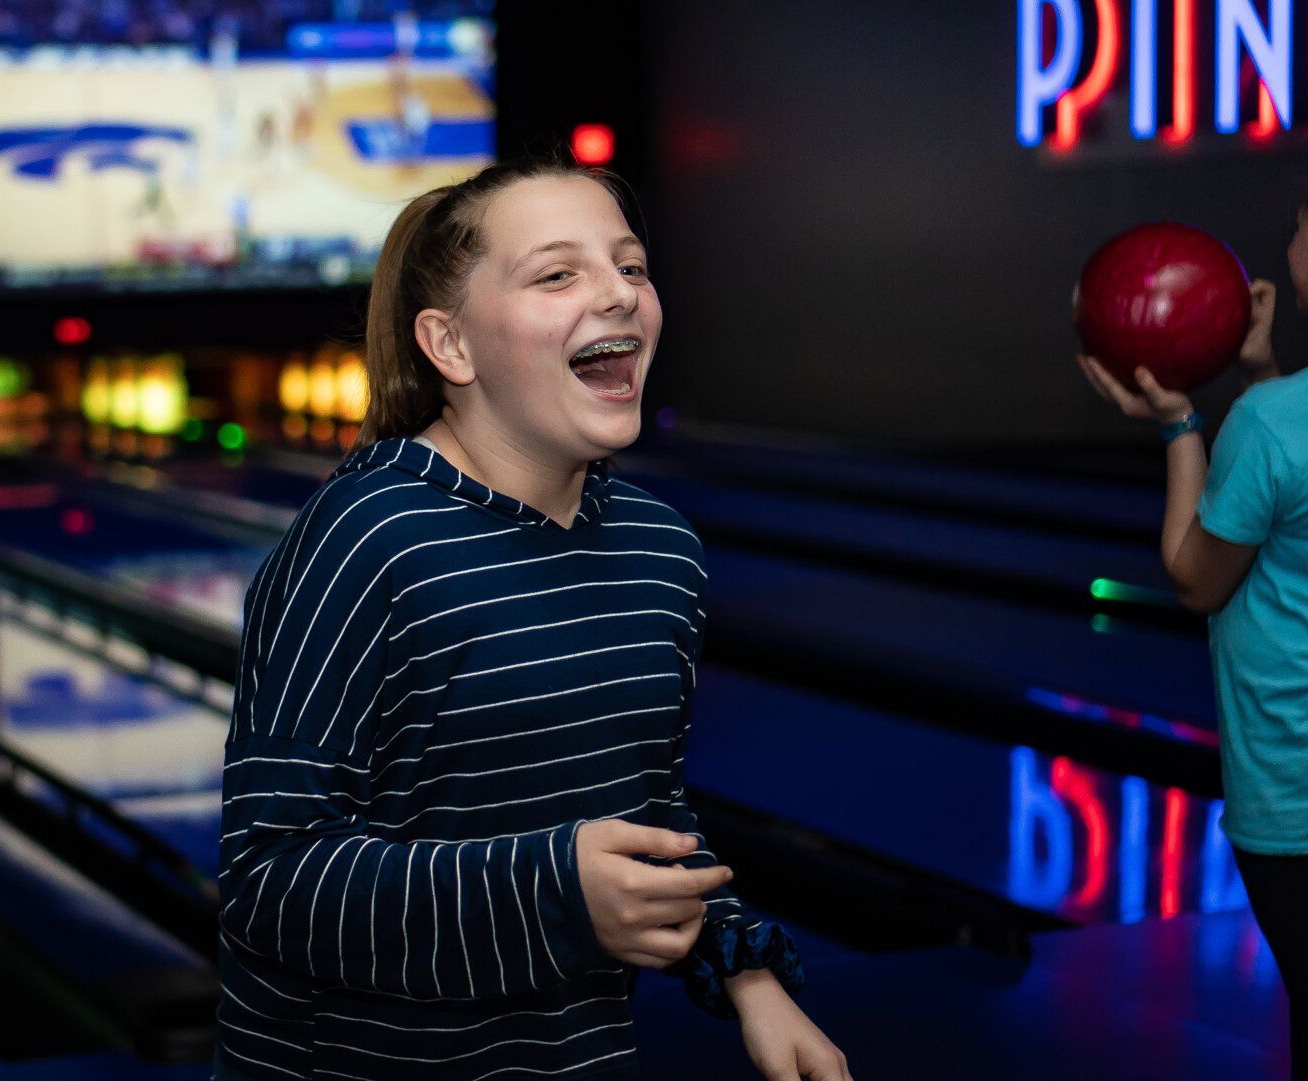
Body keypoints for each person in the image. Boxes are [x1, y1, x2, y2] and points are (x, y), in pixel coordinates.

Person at [214, 156, 850, 1081]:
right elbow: (268, 877)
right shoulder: (366, 539)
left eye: (629, 266)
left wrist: (745, 970)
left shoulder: (659, 551)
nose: (618, 294)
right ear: (451, 345)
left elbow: (646, 819)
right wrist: (558, 892)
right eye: (558, 273)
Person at [1078, 164, 1308, 1081]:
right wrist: (1262, 368)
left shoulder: (1272, 426)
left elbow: (1196, 576)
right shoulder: (1288, 414)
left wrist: (1181, 421)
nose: (1290, 250)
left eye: (1302, 231)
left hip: (1307, 799)